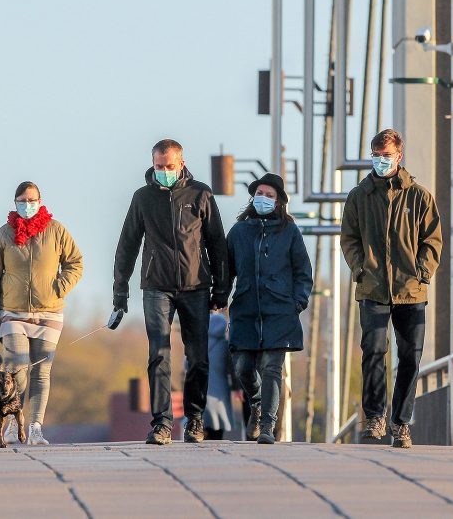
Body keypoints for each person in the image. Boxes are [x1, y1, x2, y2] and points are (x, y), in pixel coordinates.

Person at [113, 139, 229, 445]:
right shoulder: (142, 198)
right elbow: (127, 245)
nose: (164, 171)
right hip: (156, 286)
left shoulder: (200, 193)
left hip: (196, 286)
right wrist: (119, 293)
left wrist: (221, 289)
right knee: (159, 355)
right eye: (159, 166)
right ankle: (162, 423)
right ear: (153, 164)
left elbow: (217, 242)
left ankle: (194, 419)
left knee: (198, 357)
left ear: (181, 163)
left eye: (169, 166)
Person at [341, 128, 442, 449]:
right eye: (376, 155)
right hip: (373, 288)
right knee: (373, 350)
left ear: (399, 156)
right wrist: (360, 269)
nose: (381, 161)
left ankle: (401, 423)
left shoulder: (419, 196)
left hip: (411, 290)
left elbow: (433, 239)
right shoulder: (359, 196)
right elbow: (349, 239)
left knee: (410, 356)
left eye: (386, 155)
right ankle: (374, 417)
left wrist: (422, 272)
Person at [0, 181, 84, 445]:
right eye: (22, 200)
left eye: (32, 200)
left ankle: (36, 426)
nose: (27, 205)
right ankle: (16, 422)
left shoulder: (56, 230)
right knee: (17, 366)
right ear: (15, 202)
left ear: (40, 201)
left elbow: (75, 263)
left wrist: (59, 287)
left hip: (49, 312)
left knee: (42, 370)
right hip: (12, 312)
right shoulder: (4, 234)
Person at [226, 173, 312, 444]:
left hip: (280, 311)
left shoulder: (289, 232)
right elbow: (226, 270)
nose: (263, 198)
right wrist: (219, 296)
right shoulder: (239, 232)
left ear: (279, 202)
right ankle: (257, 403)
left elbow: (303, 271)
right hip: (246, 310)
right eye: (259, 193)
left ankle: (267, 425)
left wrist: (297, 302)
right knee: (242, 367)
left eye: (269, 195)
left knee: (272, 367)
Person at [203, 310, 233, 440]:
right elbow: (231, 367)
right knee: (218, 426)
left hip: (202, 390)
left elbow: (186, 365)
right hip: (220, 392)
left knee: (203, 422)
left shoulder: (200, 343)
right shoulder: (225, 345)